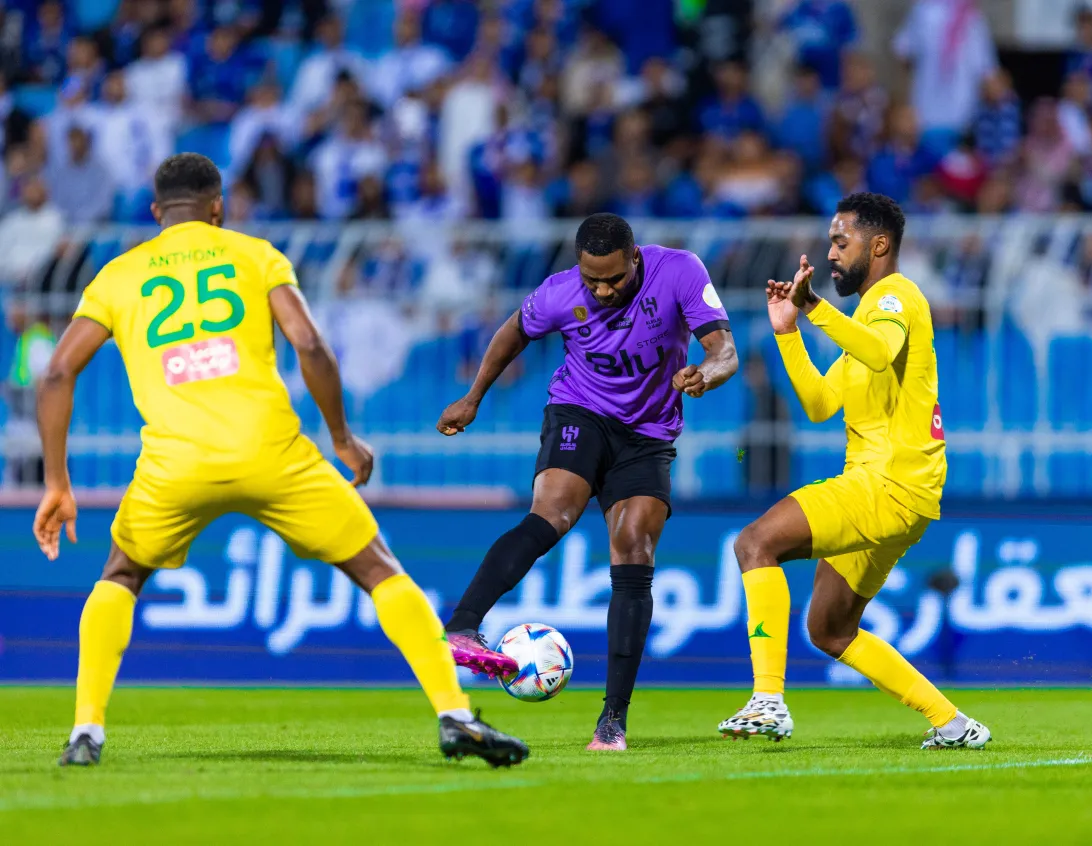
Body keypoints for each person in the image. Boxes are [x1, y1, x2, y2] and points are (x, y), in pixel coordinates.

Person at [34, 153, 528, 769]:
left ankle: (86, 732)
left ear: (157, 212)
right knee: (379, 569)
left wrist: (57, 482)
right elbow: (310, 344)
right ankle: (455, 716)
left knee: (121, 575)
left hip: (176, 463)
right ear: (218, 207)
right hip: (271, 451)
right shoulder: (255, 255)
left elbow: (56, 373)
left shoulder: (117, 276)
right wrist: (342, 438)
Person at [436, 213, 738, 751]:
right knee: (552, 512)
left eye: (613, 279)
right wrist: (474, 397)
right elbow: (513, 331)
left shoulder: (680, 272)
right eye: (591, 279)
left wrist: (705, 374)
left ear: (635, 258)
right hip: (581, 411)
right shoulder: (560, 292)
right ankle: (462, 625)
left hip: (647, 434)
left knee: (635, 546)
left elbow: (724, 352)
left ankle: (612, 720)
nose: (601, 290)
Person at [717, 192, 990, 750]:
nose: (831, 254)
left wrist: (816, 308)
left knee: (754, 543)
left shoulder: (895, 297)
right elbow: (820, 403)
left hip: (886, 485)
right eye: (830, 244)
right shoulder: (866, 316)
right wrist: (788, 331)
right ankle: (952, 723)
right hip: (905, 496)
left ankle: (768, 700)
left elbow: (880, 350)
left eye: (842, 242)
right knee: (830, 629)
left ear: (879, 244)